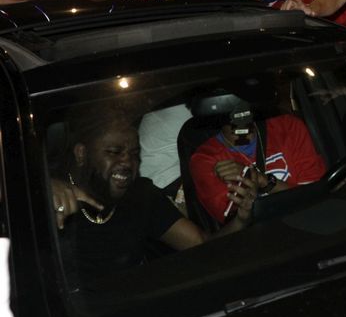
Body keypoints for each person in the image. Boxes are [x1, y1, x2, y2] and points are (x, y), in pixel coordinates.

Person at [50, 110, 256, 286]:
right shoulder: (52, 192)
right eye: (114, 152)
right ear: (81, 153)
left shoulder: (141, 194)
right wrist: (45, 188)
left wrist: (240, 220)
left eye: (134, 153)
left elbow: (202, 245)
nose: (127, 162)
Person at [189, 111, 326, 224]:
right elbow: (235, 226)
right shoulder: (206, 159)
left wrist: (263, 181)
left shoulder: (286, 126)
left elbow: (317, 198)